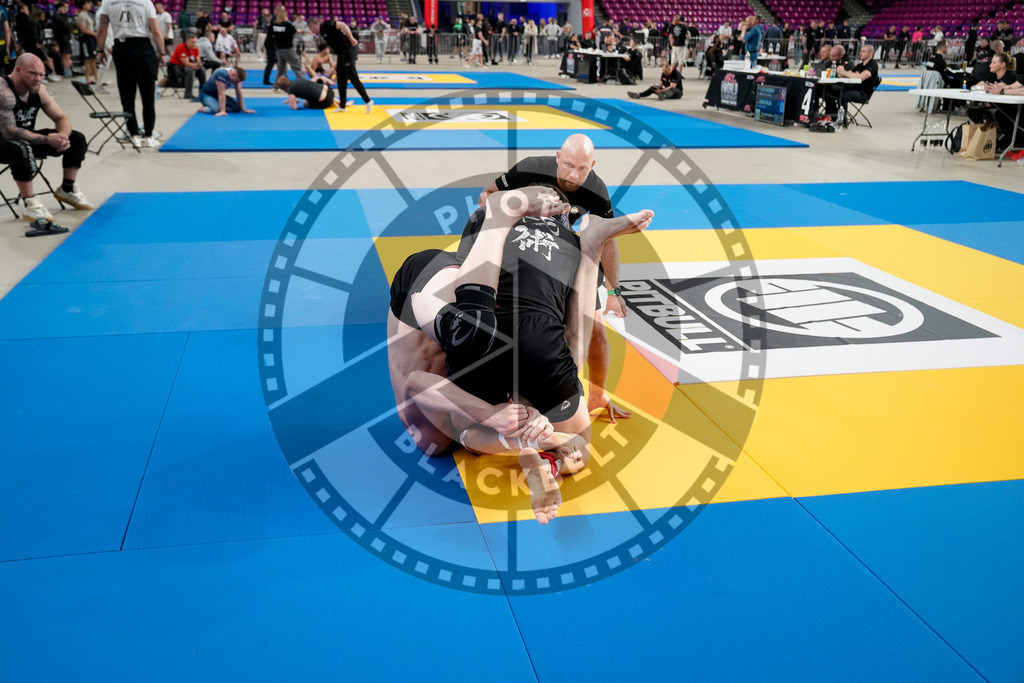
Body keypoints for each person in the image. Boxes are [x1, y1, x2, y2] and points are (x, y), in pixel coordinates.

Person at [477, 135, 634, 422]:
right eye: (569, 165)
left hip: (562, 249)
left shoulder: (596, 189)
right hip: (518, 242)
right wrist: (487, 237)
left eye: (582, 169)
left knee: (594, 330)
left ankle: (597, 394)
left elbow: (608, 240)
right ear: (558, 156)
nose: (573, 175)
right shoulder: (529, 168)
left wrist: (614, 291)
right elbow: (488, 195)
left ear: (592, 165)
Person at [0, 54, 94, 222]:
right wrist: (47, 139)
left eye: (41, 75)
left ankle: (67, 189)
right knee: (22, 148)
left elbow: (61, 118)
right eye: (33, 73)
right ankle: (30, 203)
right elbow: (9, 132)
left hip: (24, 138)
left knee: (76, 139)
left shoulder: (40, 89)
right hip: (4, 141)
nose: (38, 79)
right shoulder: (3, 91)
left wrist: (62, 137)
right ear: (17, 70)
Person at [96, 0, 167, 149]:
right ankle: (149, 136)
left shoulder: (107, 2)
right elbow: (155, 30)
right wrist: (162, 53)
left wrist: (100, 50)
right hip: (143, 49)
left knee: (127, 98)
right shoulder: (145, 2)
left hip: (122, 50)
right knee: (148, 98)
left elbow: (102, 28)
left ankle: (134, 135)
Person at [309, 17, 372, 114]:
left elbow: (343, 25)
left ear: (315, 25)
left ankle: (368, 101)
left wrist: (351, 38)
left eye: (312, 29)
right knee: (341, 79)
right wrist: (338, 62)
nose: (313, 32)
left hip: (348, 49)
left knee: (353, 76)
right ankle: (342, 106)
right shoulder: (323, 33)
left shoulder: (326, 25)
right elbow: (338, 47)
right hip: (341, 54)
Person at [835, 44, 879, 119]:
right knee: (833, 91)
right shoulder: (860, 65)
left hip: (863, 93)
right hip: (854, 88)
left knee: (842, 95)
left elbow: (861, 77)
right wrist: (847, 73)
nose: (860, 53)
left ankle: (842, 119)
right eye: (860, 51)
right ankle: (832, 115)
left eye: (863, 51)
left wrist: (845, 73)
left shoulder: (872, 64)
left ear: (870, 53)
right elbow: (849, 73)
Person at [163, 32, 203, 98]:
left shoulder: (195, 48)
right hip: (176, 68)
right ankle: (188, 94)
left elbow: (197, 59)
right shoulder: (181, 47)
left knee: (202, 70)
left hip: (188, 66)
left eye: (195, 42)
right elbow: (186, 63)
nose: (194, 44)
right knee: (190, 71)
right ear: (187, 41)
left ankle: (202, 92)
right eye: (192, 42)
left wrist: (199, 64)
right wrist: (196, 65)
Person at [270, 5, 303, 83]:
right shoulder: (287, 25)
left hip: (279, 49)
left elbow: (271, 35)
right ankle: (302, 83)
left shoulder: (274, 25)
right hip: (288, 49)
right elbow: (293, 31)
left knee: (281, 69)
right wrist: (298, 30)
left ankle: (277, 85)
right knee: (297, 67)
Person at [76, 0, 99, 85]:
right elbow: (83, 29)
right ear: (83, 5)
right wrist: (95, 34)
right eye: (88, 4)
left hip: (91, 38)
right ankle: (89, 78)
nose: (90, 5)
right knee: (89, 59)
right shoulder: (81, 15)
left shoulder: (88, 14)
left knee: (92, 59)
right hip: (87, 38)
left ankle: (94, 78)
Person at [51, 2, 74, 78]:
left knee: (67, 55)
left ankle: (67, 70)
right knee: (65, 55)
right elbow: (67, 27)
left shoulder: (63, 17)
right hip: (62, 39)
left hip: (66, 38)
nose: (65, 9)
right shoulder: (57, 17)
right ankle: (66, 72)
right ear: (59, 8)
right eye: (63, 8)